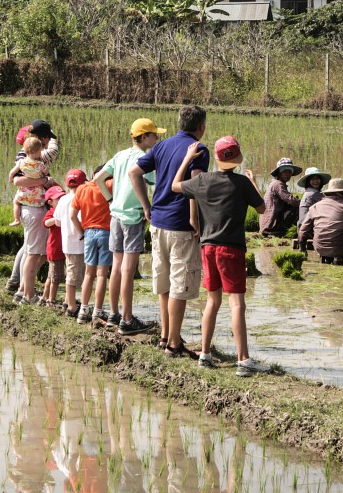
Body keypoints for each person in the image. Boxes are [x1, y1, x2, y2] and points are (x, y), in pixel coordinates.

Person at [171, 137, 271, 377]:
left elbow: (175, 185)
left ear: (216, 158)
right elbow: (262, 209)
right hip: (232, 250)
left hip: (208, 248)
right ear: (237, 159)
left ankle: (204, 354)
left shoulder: (202, 180)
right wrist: (254, 183)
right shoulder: (242, 183)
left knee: (212, 301)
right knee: (236, 304)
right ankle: (243, 360)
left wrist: (187, 158)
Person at [129, 105, 209, 355]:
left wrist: (146, 206)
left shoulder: (162, 146)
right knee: (180, 286)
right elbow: (194, 186)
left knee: (164, 284)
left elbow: (134, 172)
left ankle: (165, 336)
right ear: (201, 127)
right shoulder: (198, 150)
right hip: (181, 225)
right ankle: (174, 344)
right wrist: (195, 219)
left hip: (158, 223)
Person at [94, 118, 164, 334]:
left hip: (115, 215)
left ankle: (114, 313)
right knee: (127, 268)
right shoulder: (145, 158)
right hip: (133, 217)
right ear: (143, 137)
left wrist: (110, 200)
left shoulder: (121, 155)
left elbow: (98, 178)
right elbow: (154, 181)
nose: (157, 138)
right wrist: (147, 207)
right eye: (154, 134)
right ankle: (127, 319)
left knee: (116, 267)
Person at [6, 120, 59, 293]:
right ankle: (23, 288)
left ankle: (18, 283)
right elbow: (17, 180)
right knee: (32, 251)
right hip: (32, 206)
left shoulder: (31, 153)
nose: (47, 143)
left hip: (31, 203)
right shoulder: (26, 155)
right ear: (42, 138)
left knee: (29, 247)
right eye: (47, 139)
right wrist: (43, 181)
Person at [70, 166, 115, 326]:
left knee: (89, 273)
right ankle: (97, 310)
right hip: (106, 233)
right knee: (102, 274)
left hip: (88, 233)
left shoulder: (82, 188)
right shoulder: (110, 185)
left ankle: (83, 310)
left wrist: (82, 232)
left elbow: (73, 215)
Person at [53, 169, 87, 316]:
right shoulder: (81, 198)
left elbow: (58, 222)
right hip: (78, 243)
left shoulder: (63, 199)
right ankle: (71, 306)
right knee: (73, 275)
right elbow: (79, 220)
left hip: (67, 242)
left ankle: (68, 300)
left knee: (71, 271)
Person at [297, 178, 343, 264]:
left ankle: (326, 256)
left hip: (319, 248)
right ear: (342, 193)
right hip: (340, 249)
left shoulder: (315, 206)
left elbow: (302, 231)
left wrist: (302, 249)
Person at [8, 137, 49, 227]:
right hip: (38, 194)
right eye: (40, 151)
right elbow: (46, 172)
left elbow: (12, 172)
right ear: (36, 151)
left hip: (25, 193)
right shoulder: (40, 164)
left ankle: (16, 219)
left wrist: (11, 179)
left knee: (16, 202)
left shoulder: (21, 162)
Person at [259, 158, 302, 237]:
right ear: (279, 172)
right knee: (299, 208)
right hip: (271, 224)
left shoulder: (276, 183)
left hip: (268, 223)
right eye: (284, 171)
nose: (287, 174)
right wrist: (304, 203)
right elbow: (291, 200)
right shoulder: (278, 184)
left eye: (289, 172)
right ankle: (279, 231)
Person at [42, 185, 66, 307]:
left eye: (63, 197)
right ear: (50, 202)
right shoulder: (52, 212)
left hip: (62, 248)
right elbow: (46, 222)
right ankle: (51, 300)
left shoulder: (65, 211)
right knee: (54, 278)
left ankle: (45, 297)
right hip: (55, 249)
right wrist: (56, 218)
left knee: (51, 276)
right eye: (59, 199)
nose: (62, 201)